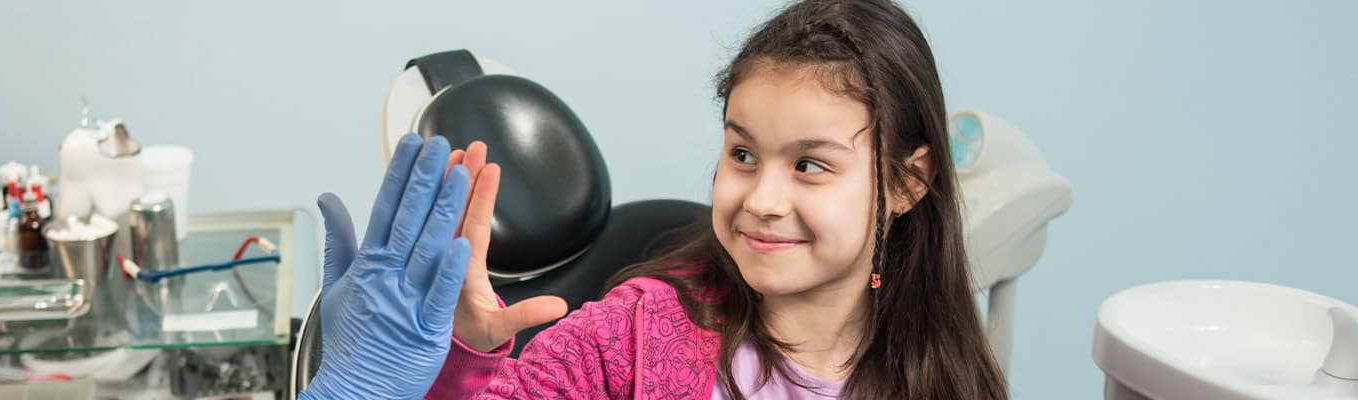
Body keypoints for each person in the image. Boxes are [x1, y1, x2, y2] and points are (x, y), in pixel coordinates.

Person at [311, 0, 1009, 398]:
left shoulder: (944, 374)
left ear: (908, 184)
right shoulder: (633, 334)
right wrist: (454, 366)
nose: (762, 198)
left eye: (809, 165)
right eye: (742, 154)